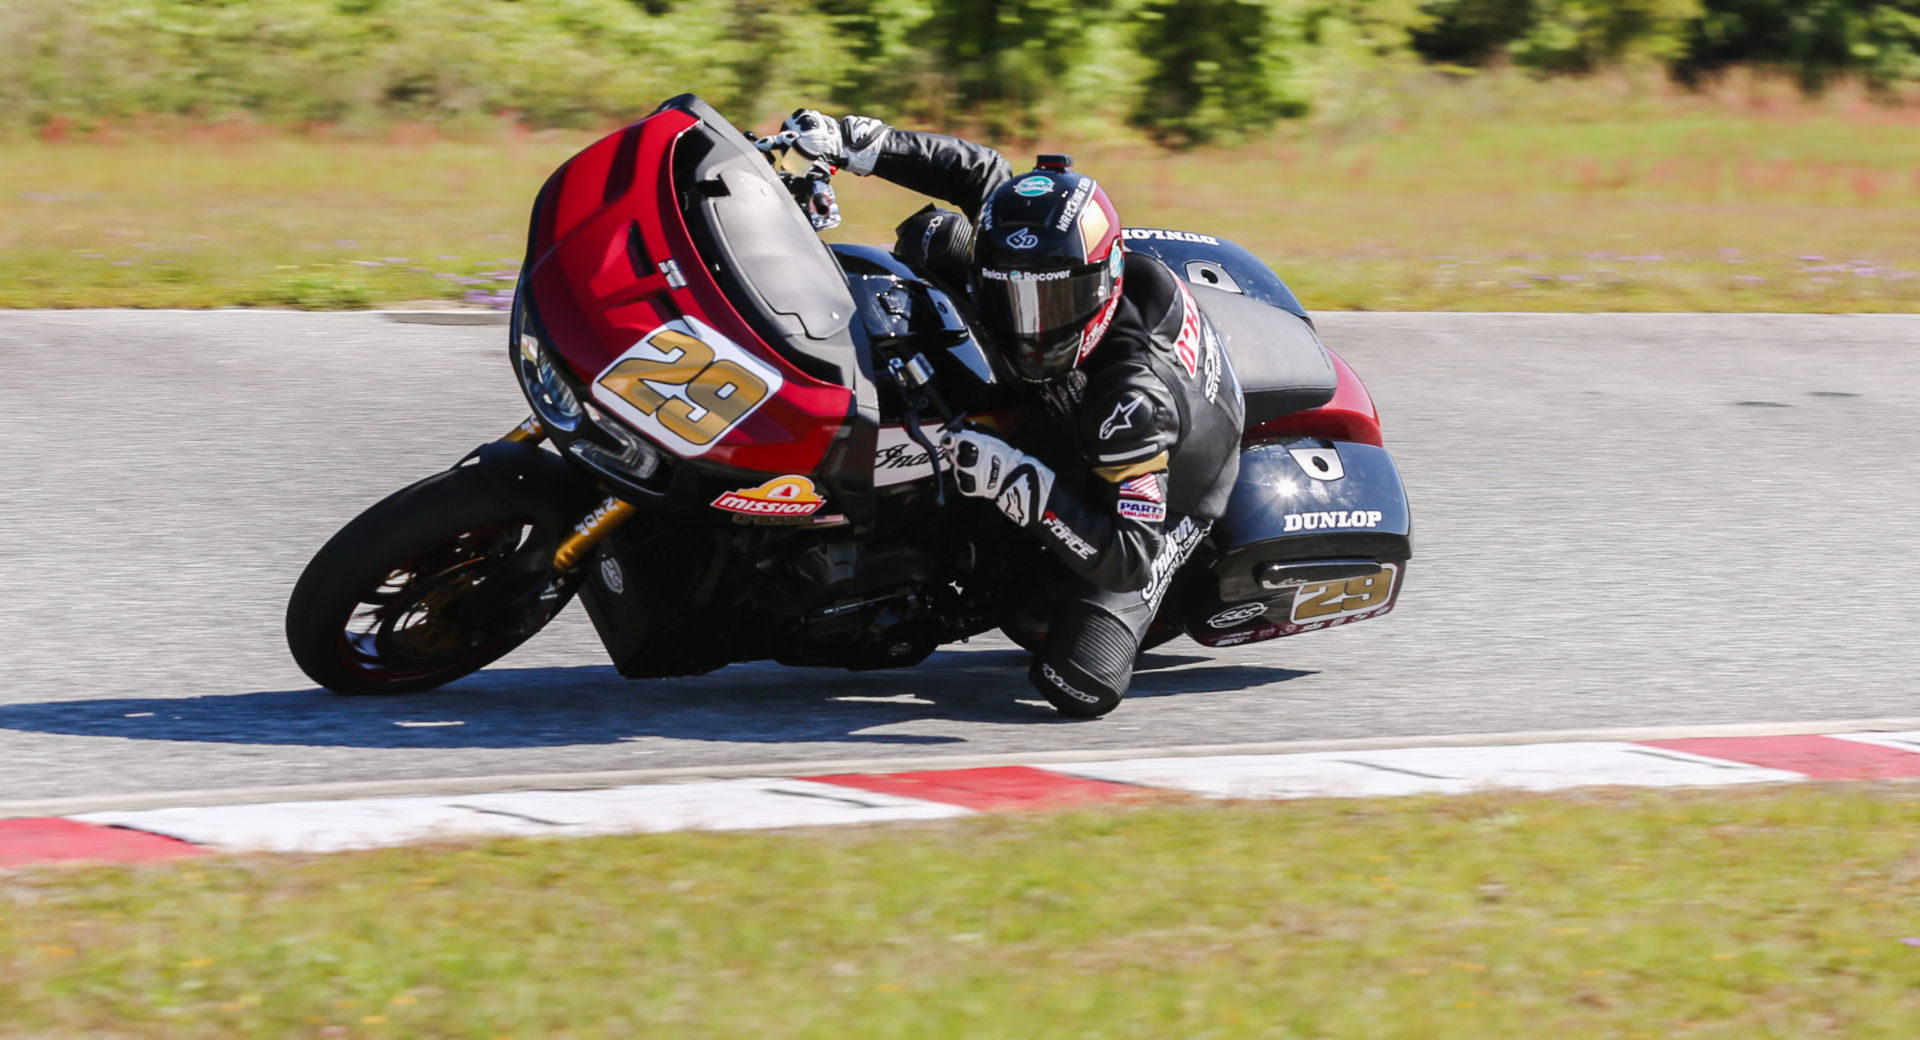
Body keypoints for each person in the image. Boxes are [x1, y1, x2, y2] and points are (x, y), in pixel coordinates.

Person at [782, 110, 1246, 718]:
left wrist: (1020, 484)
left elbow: (1131, 554)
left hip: (1177, 484)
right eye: (1009, 292)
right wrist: (850, 142)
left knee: (1076, 676)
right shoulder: (1053, 267)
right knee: (934, 238)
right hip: (1093, 392)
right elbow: (980, 172)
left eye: (1053, 300)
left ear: (1100, 284)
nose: (1030, 324)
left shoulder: (1132, 400)